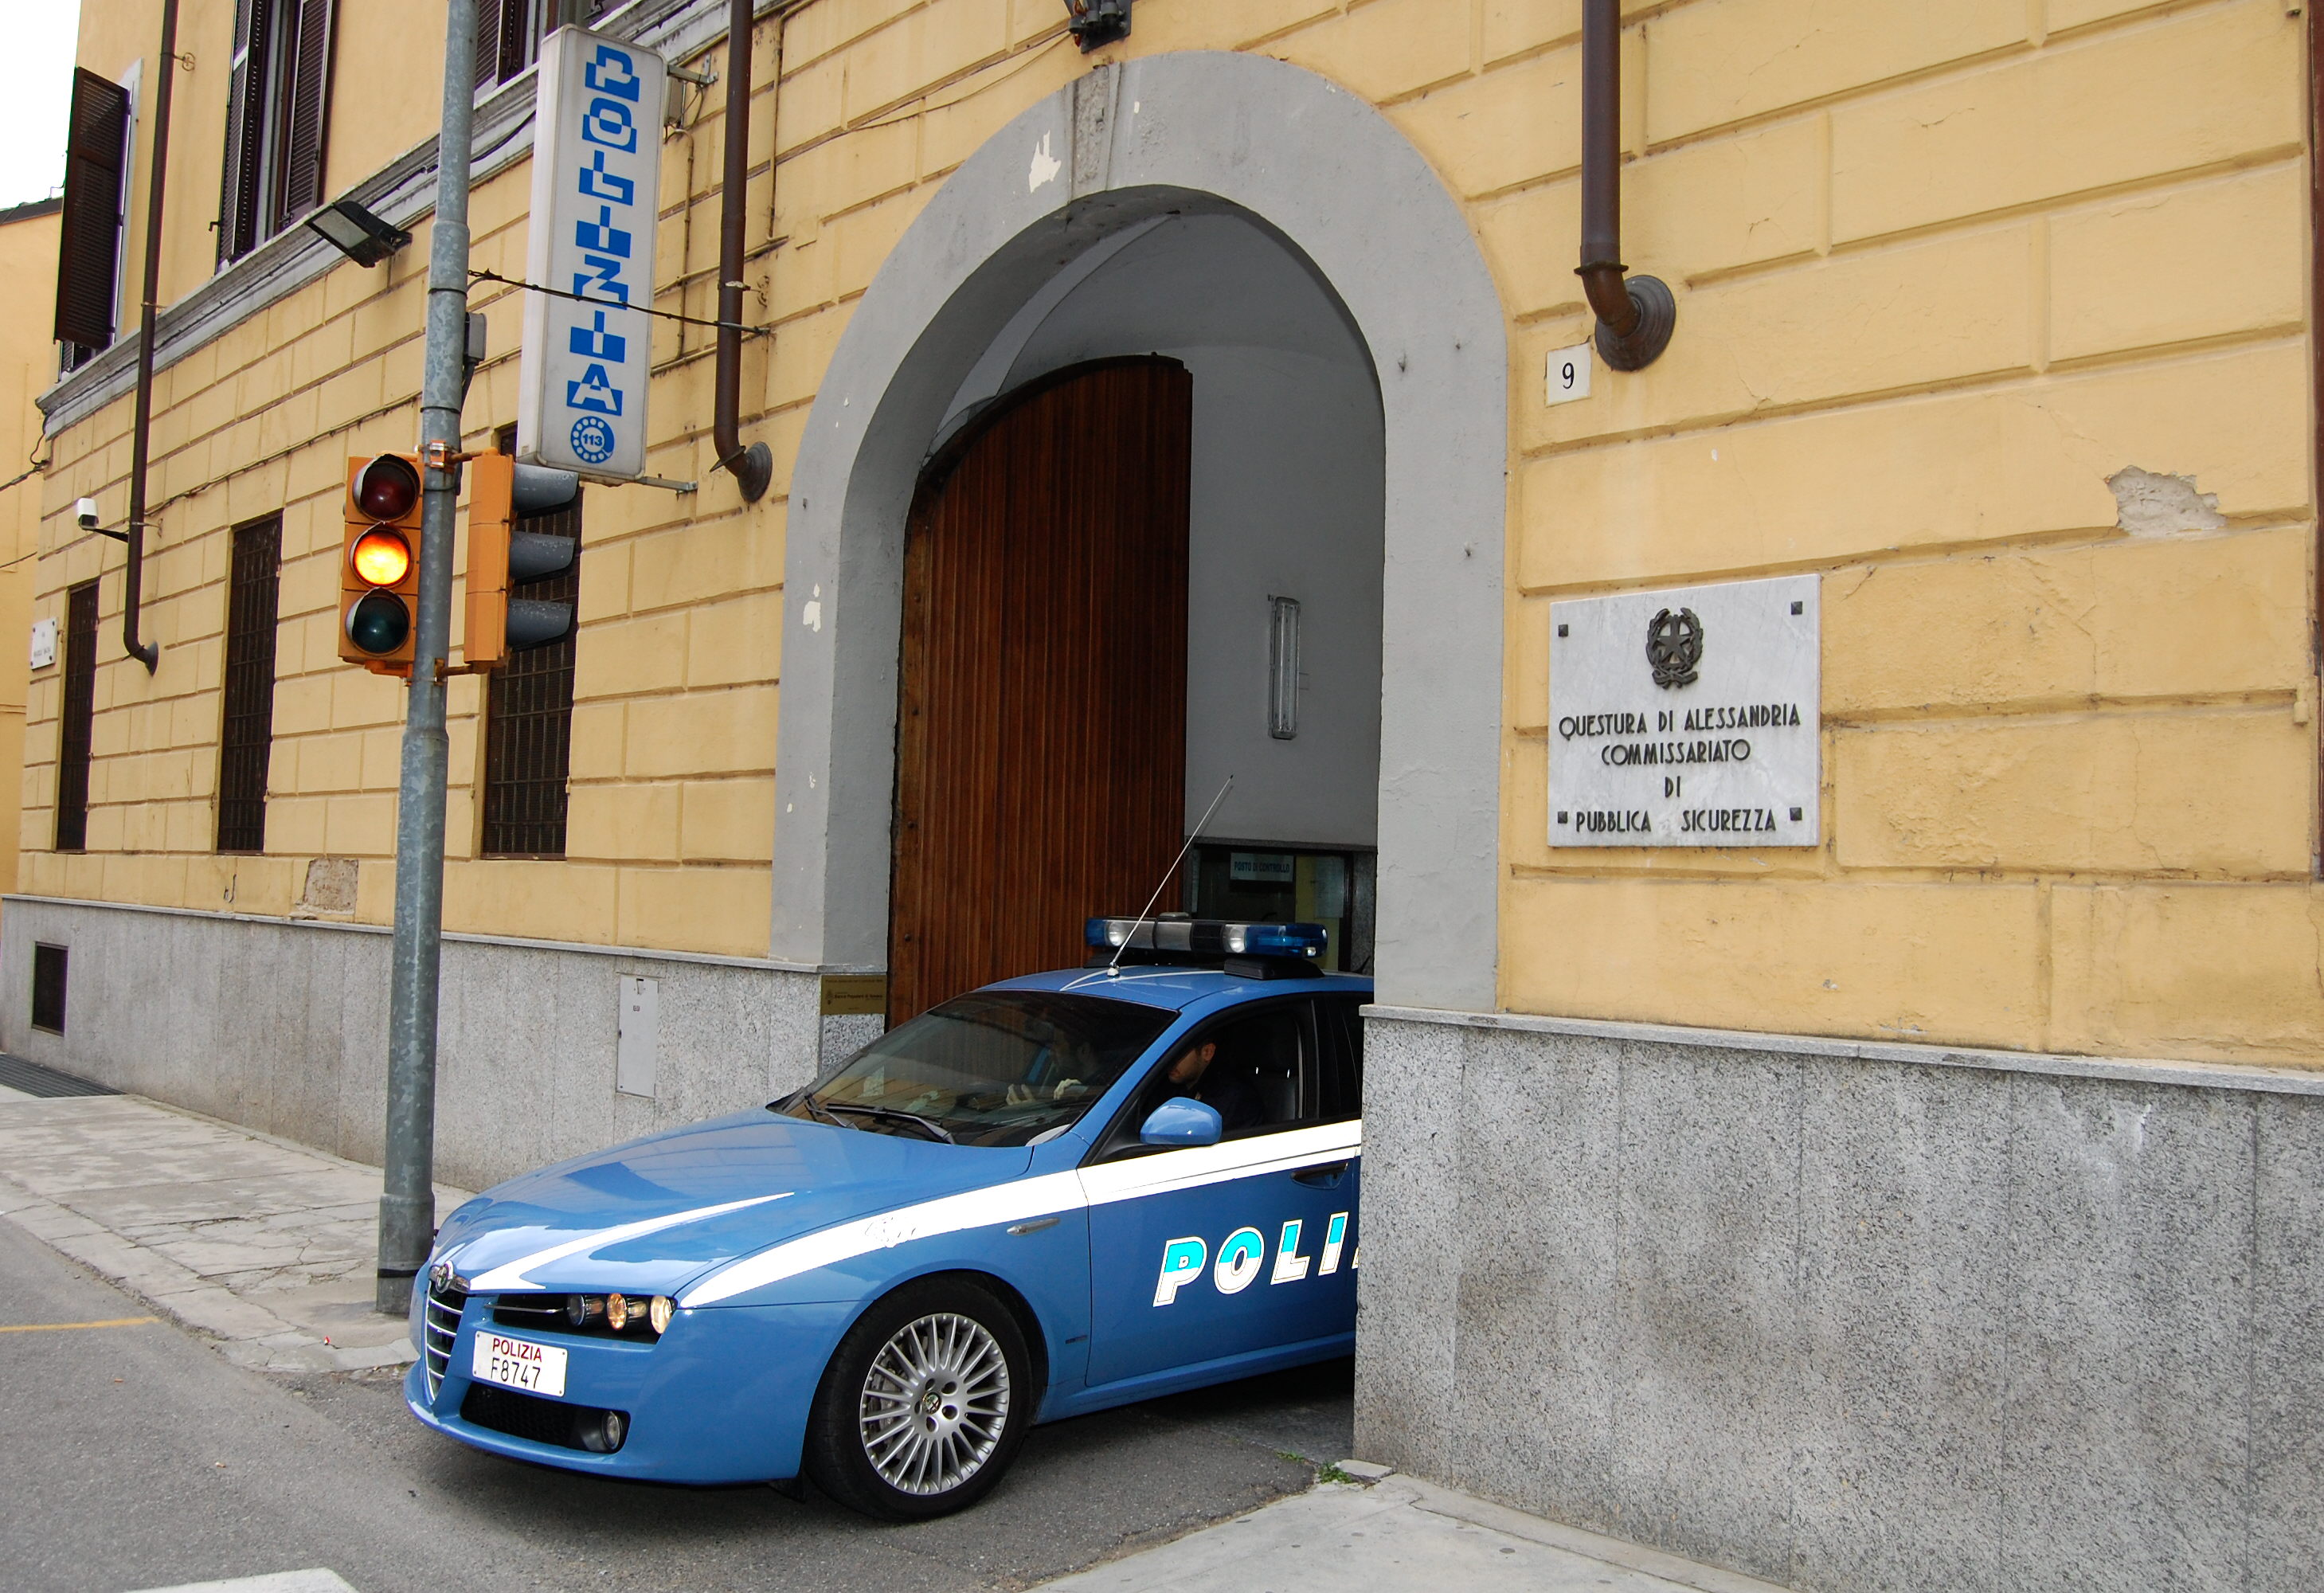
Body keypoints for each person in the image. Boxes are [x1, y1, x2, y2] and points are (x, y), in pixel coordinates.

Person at [1164, 1038, 1260, 1133]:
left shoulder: (1231, 1098)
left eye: (1178, 1053)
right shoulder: (1166, 1085)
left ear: (1207, 1052)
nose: (1169, 1060)